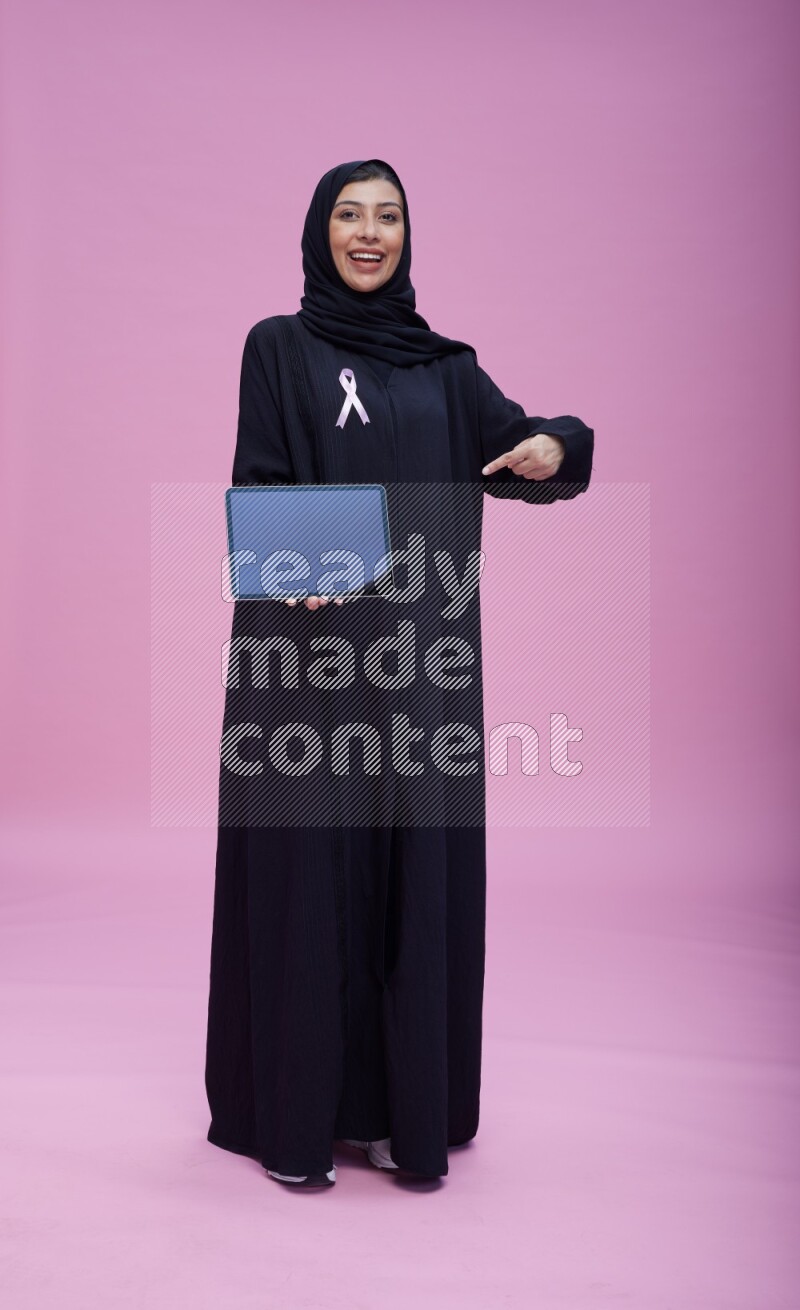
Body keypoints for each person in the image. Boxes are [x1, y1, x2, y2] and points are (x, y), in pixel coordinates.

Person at [204, 158, 594, 1189]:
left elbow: (524, 444)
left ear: (406, 236)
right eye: (348, 213)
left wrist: (554, 444)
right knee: (308, 878)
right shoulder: (277, 347)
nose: (367, 232)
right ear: (317, 230)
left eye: (386, 216)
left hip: (422, 667)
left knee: (411, 876)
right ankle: (296, 1116)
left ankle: (399, 1113)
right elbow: (260, 482)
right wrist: (300, 562)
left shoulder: (444, 369)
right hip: (303, 664)